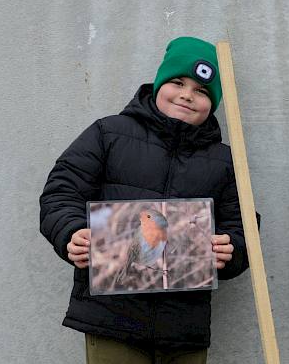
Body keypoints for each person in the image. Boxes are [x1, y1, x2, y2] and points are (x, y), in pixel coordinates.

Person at [40, 36, 249, 364]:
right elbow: (60, 193)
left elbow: (242, 227)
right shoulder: (108, 134)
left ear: (214, 102)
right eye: (178, 82)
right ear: (159, 83)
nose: (186, 95)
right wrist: (71, 233)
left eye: (201, 90)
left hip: (184, 329)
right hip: (112, 321)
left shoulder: (225, 162)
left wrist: (231, 249)